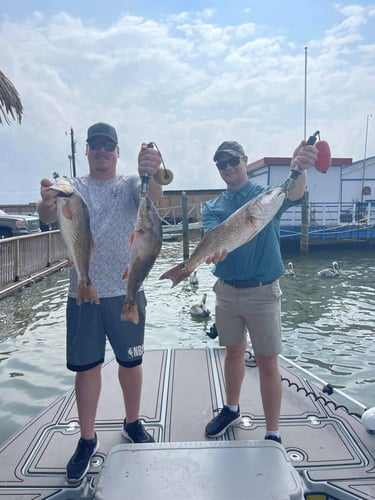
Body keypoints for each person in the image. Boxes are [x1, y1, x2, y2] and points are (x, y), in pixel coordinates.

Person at [38, 122, 163, 483]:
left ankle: (132, 421)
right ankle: (87, 439)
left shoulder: (128, 185)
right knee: (87, 368)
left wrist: (150, 171)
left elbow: (151, 195)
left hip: (126, 290)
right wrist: (47, 198)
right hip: (82, 292)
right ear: (88, 150)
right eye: (96, 144)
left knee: (131, 362)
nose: (102, 150)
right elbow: (48, 213)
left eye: (108, 144)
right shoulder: (72, 188)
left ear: (118, 151)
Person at [202, 139, 318, 443]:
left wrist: (300, 167)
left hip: (263, 291)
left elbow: (293, 191)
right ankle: (231, 408)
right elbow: (211, 236)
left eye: (232, 161)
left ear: (244, 160)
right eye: (221, 164)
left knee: (267, 360)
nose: (227, 168)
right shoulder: (212, 207)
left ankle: (272, 432)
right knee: (233, 352)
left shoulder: (266, 197)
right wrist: (212, 252)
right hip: (226, 291)